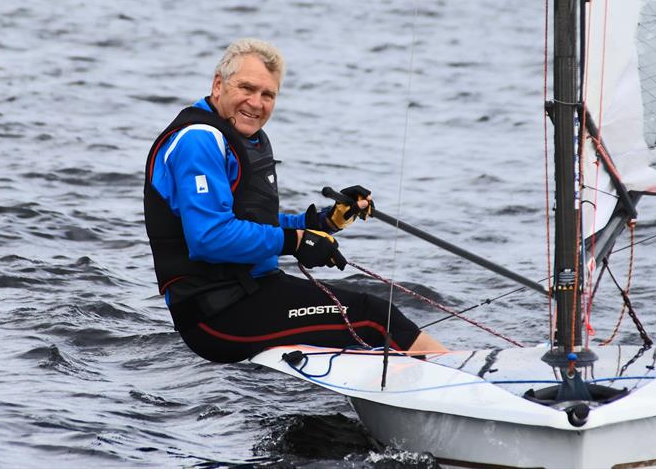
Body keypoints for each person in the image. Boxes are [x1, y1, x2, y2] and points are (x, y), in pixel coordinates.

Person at [144, 38, 446, 363]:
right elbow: (210, 238)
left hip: (251, 291)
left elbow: (256, 224)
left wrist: (320, 224)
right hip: (216, 314)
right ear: (218, 85)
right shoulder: (199, 140)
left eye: (268, 95)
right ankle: (462, 385)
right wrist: (296, 240)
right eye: (247, 88)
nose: (256, 103)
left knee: (366, 325)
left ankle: (415, 388)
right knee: (375, 317)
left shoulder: (243, 136)